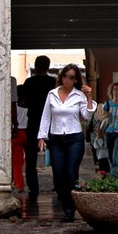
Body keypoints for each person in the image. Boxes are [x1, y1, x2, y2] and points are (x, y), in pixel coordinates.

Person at [37, 64, 96, 221]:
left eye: (71, 77)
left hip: (74, 138)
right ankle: (66, 203)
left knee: (71, 173)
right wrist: (42, 136)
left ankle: (70, 209)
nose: (67, 79)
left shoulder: (79, 95)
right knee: (58, 174)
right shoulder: (52, 94)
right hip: (56, 138)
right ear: (61, 76)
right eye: (65, 76)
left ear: (76, 79)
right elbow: (46, 116)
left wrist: (89, 97)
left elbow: (87, 116)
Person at [21, 55, 57, 199]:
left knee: (31, 157)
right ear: (48, 67)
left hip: (34, 120)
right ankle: (59, 185)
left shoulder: (29, 82)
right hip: (51, 122)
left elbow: (22, 102)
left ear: (35, 67)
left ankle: (33, 188)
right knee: (56, 155)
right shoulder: (53, 82)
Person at [10, 78, 27, 191]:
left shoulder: (14, 107)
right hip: (28, 132)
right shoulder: (29, 107)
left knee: (16, 162)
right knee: (29, 162)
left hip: (17, 133)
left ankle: (19, 184)